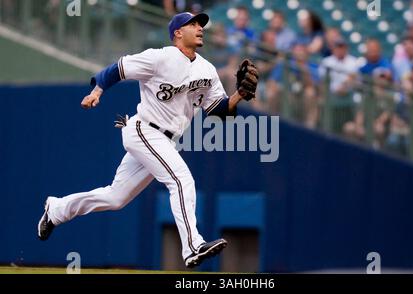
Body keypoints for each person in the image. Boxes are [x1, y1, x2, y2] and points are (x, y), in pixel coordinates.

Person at [37, 12, 258, 269]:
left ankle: (56, 209)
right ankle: (192, 246)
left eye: (201, 25)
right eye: (193, 24)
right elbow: (117, 69)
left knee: (115, 198)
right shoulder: (159, 57)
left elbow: (219, 113)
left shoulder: (207, 70)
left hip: (165, 140)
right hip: (144, 130)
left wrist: (239, 95)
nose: (200, 28)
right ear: (177, 32)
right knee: (181, 179)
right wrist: (97, 91)